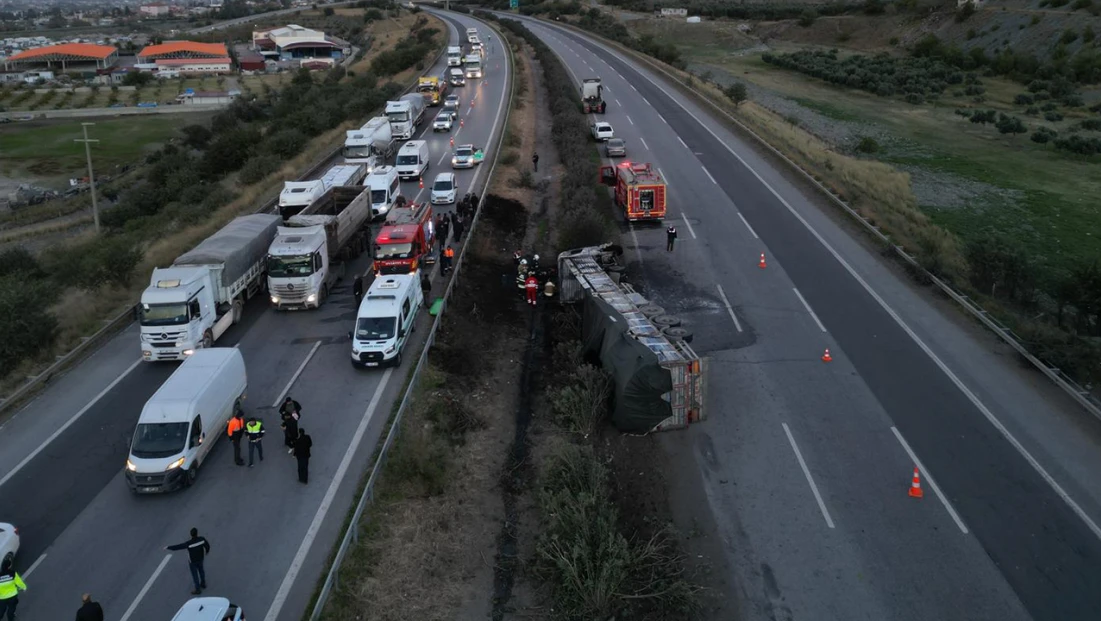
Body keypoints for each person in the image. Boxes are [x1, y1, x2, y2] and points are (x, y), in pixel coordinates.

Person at [166, 528, 210, 595]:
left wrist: (168, 547)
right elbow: (207, 546)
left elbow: (178, 547)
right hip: (200, 559)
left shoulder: (189, 544)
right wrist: (206, 552)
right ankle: (203, 583)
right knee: (201, 571)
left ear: (191, 535)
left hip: (192, 562)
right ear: (197, 533)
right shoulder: (202, 539)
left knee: (195, 575)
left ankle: (197, 589)